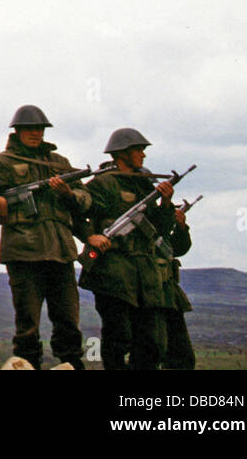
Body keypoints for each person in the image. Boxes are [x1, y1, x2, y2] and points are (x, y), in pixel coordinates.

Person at [0, 106, 90, 369]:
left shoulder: (60, 164)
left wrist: (68, 194)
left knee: (67, 318)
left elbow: (86, 199)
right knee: (28, 322)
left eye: (39, 129)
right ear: (17, 131)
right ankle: (27, 364)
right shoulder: (4, 162)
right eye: (29, 129)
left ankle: (72, 364)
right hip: (23, 251)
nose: (35, 133)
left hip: (61, 251)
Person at [79, 127, 176, 371]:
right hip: (113, 271)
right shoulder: (102, 184)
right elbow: (76, 211)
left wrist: (165, 202)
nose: (143, 155)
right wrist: (90, 237)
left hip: (145, 274)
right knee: (118, 335)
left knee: (150, 342)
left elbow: (161, 229)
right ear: (122, 153)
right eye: (138, 150)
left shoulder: (145, 185)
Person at [162, 203, 196, 370]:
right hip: (138, 291)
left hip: (166, 293)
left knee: (181, 355)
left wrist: (181, 227)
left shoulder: (157, 214)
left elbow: (177, 248)